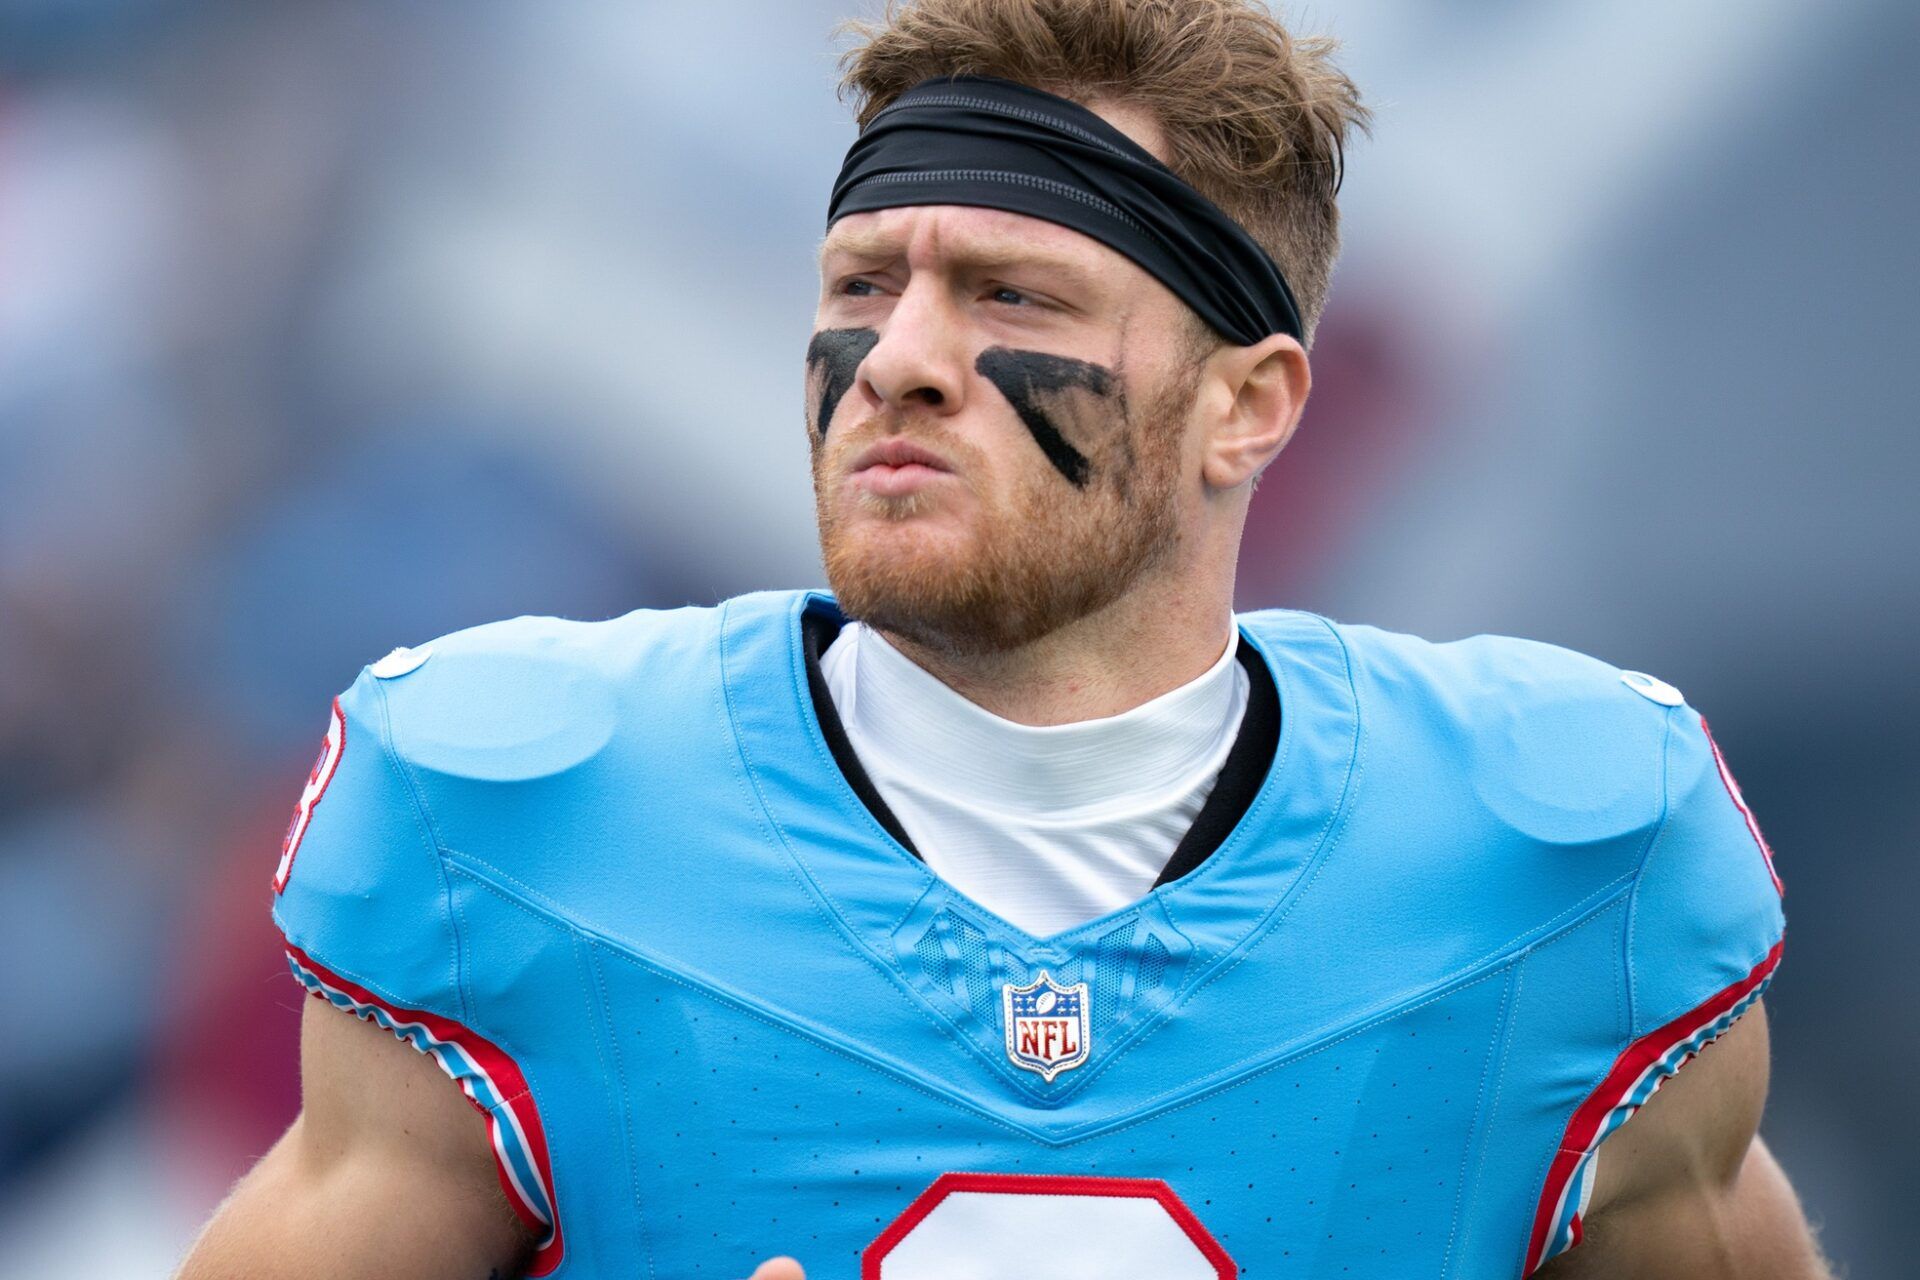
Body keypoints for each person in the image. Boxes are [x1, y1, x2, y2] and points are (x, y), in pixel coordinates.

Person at [175, 2, 1834, 1277]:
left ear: (1252, 407)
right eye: (861, 286)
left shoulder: (1566, 856)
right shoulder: (513, 813)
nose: (894, 358)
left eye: (1013, 297)